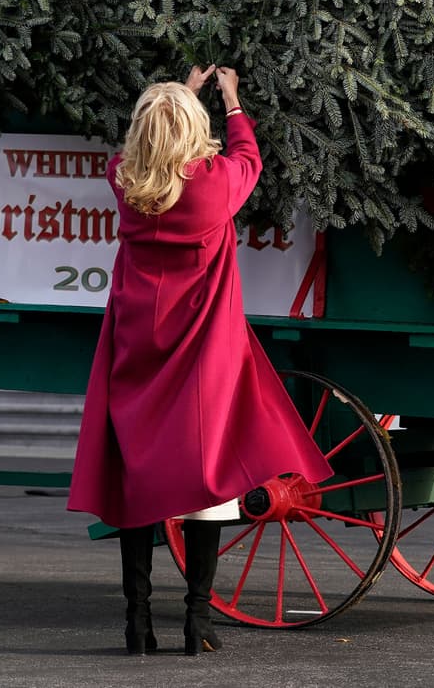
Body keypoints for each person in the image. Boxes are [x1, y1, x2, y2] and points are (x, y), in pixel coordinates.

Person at [67, 66, 334, 656]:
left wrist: (179, 95)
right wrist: (231, 100)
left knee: (135, 485)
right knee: (208, 483)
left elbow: (154, 146)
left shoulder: (124, 180)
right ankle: (198, 621)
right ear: (193, 132)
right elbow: (248, 156)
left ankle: (137, 623)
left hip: (136, 349)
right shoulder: (213, 187)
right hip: (200, 357)